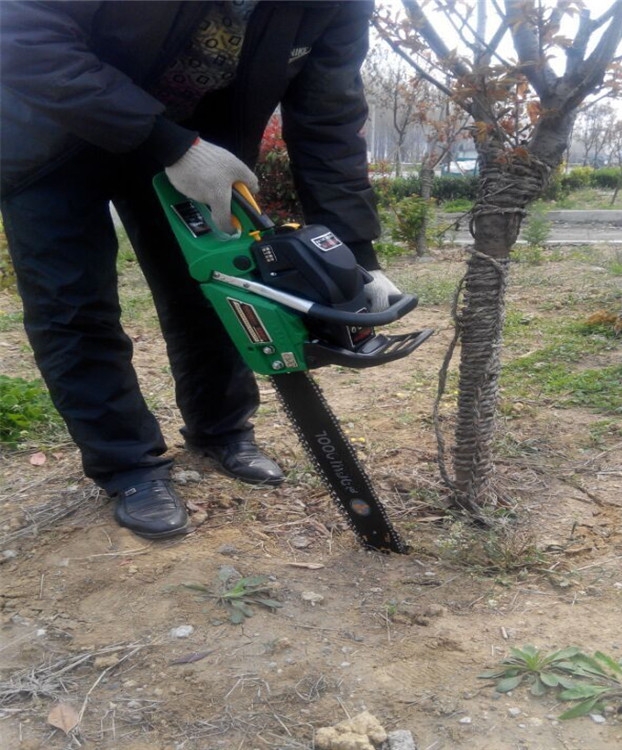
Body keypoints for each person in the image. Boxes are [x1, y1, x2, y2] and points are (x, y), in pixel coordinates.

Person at [0, 1, 400, 540]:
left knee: (214, 288)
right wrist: (168, 142)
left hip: (196, 145)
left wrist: (354, 254)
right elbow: (24, 37)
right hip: (49, 133)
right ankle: (128, 466)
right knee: (73, 306)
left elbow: (328, 119)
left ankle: (222, 429)